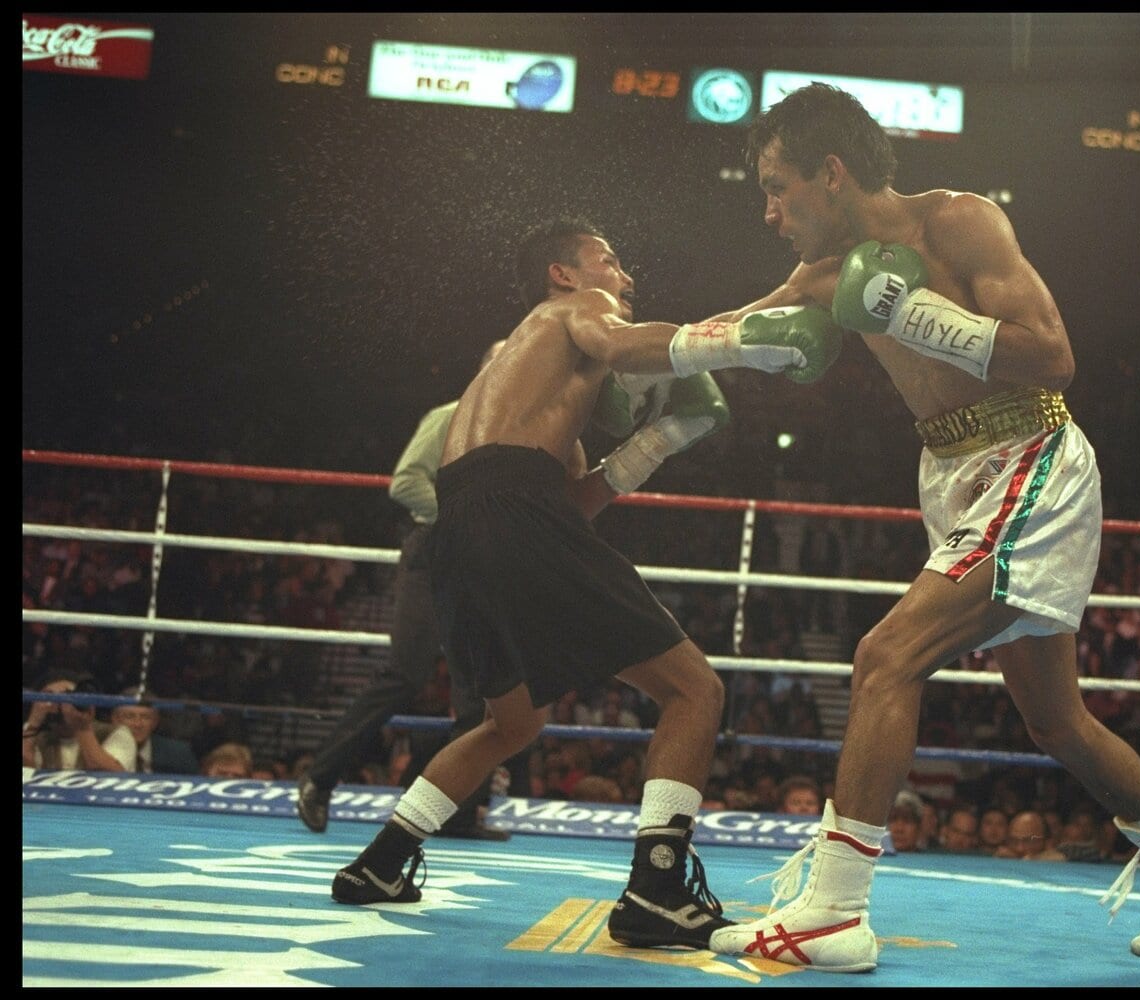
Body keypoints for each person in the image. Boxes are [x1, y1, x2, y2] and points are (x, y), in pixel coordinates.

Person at [706, 84, 1140, 972]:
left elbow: (1056, 356)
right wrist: (641, 356)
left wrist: (917, 314)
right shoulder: (823, 273)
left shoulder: (959, 223)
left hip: (1029, 454)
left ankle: (836, 912)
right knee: (1055, 721)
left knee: (887, 658)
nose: (769, 212)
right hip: (952, 475)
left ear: (832, 172)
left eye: (777, 187)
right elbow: (734, 326)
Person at [328, 217, 842, 956]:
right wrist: (746, 345)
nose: (625, 279)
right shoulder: (569, 310)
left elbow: (571, 504)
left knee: (511, 725)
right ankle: (656, 889)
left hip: (461, 530)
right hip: (508, 510)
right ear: (564, 274)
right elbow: (618, 347)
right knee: (695, 690)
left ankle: (380, 863)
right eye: (610, 261)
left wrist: (656, 442)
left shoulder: (523, 397)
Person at [297, 342, 507, 840]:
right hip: (435, 553)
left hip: (486, 562)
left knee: (479, 691)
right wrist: (463, 518)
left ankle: (459, 812)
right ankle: (319, 777)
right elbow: (406, 482)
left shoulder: (521, 433)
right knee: (405, 673)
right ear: (485, 371)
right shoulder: (448, 417)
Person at [22, 670, 136, 772]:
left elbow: (109, 776)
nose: (58, 702)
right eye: (49, 696)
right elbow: (25, 772)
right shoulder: (35, 737)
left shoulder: (117, 733)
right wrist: (34, 721)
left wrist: (83, 728)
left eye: (66, 695)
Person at [111, 686, 199, 775]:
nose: (138, 724)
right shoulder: (101, 753)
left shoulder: (179, 754)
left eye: (146, 717)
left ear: (155, 721)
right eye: (129, 716)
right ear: (115, 720)